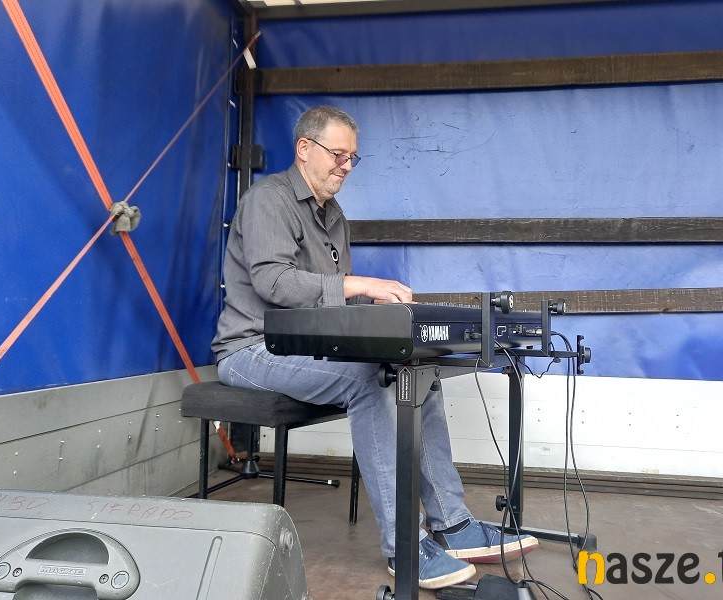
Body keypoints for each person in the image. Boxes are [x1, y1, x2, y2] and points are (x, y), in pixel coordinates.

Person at [211, 105, 538, 590]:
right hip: (250, 350)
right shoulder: (267, 200)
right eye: (338, 155)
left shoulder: (333, 216)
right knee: (371, 380)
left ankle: (453, 524)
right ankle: (404, 547)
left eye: (352, 158)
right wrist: (361, 285)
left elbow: (331, 303)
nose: (346, 166)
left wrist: (381, 315)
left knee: (414, 370)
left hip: (303, 346)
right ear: (304, 149)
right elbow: (275, 283)